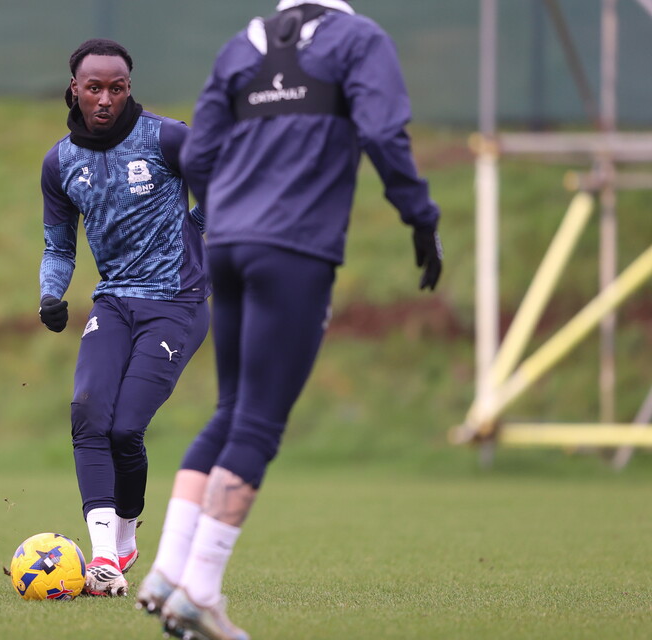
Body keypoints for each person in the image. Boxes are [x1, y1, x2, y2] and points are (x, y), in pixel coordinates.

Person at [135, 1, 443, 638]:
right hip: (295, 250)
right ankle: (202, 590)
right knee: (258, 423)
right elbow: (385, 135)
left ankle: (167, 573)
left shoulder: (239, 45)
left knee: (229, 410)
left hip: (226, 247)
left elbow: (197, 158)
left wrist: (233, 211)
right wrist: (421, 218)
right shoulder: (360, 39)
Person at [38, 38, 210, 598]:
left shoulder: (166, 138)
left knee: (125, 428)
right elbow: (59, 245)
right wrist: (51, 295)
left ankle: (128, 529)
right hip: (113, 301)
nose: (105, 98)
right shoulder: (61, 163)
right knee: (88, 413)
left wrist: (198, 232)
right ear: (75, 90)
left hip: (177, 303)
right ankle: (105, 558)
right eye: (94, 88)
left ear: (129, 88)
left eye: (117, 87)